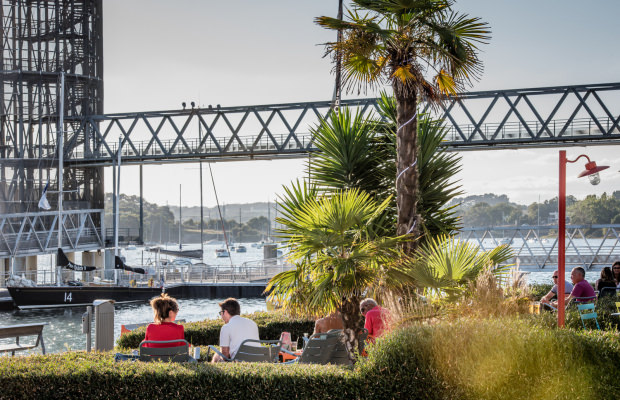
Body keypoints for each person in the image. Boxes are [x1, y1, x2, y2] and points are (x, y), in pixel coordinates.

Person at [211, 298, 259, 363]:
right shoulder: (253, 323)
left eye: (221, 313)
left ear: (225, 312)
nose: (221, 316)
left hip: (239, 362)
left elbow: (225, 355)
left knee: (217, 355)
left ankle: (210, 373)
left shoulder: (226, 327)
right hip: (258, 360)